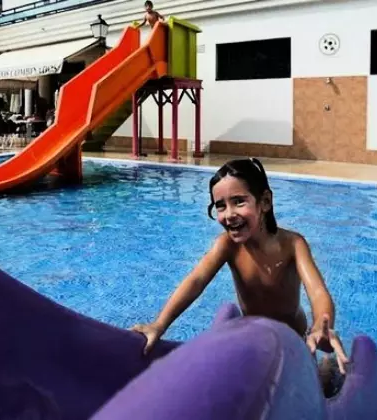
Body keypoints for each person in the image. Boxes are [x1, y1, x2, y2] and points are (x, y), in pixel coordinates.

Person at [130, 158, 349, 396]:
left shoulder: (293, 245)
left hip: (295, 340)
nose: (229, 214)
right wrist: (159, 325)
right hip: (256, 339)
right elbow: (196, 280)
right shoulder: (227, 246)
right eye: (220, 206)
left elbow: (317, 291)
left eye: (239, 202)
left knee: (320, 392)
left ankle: (327, 370)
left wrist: (321, 327)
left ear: (265, 202)